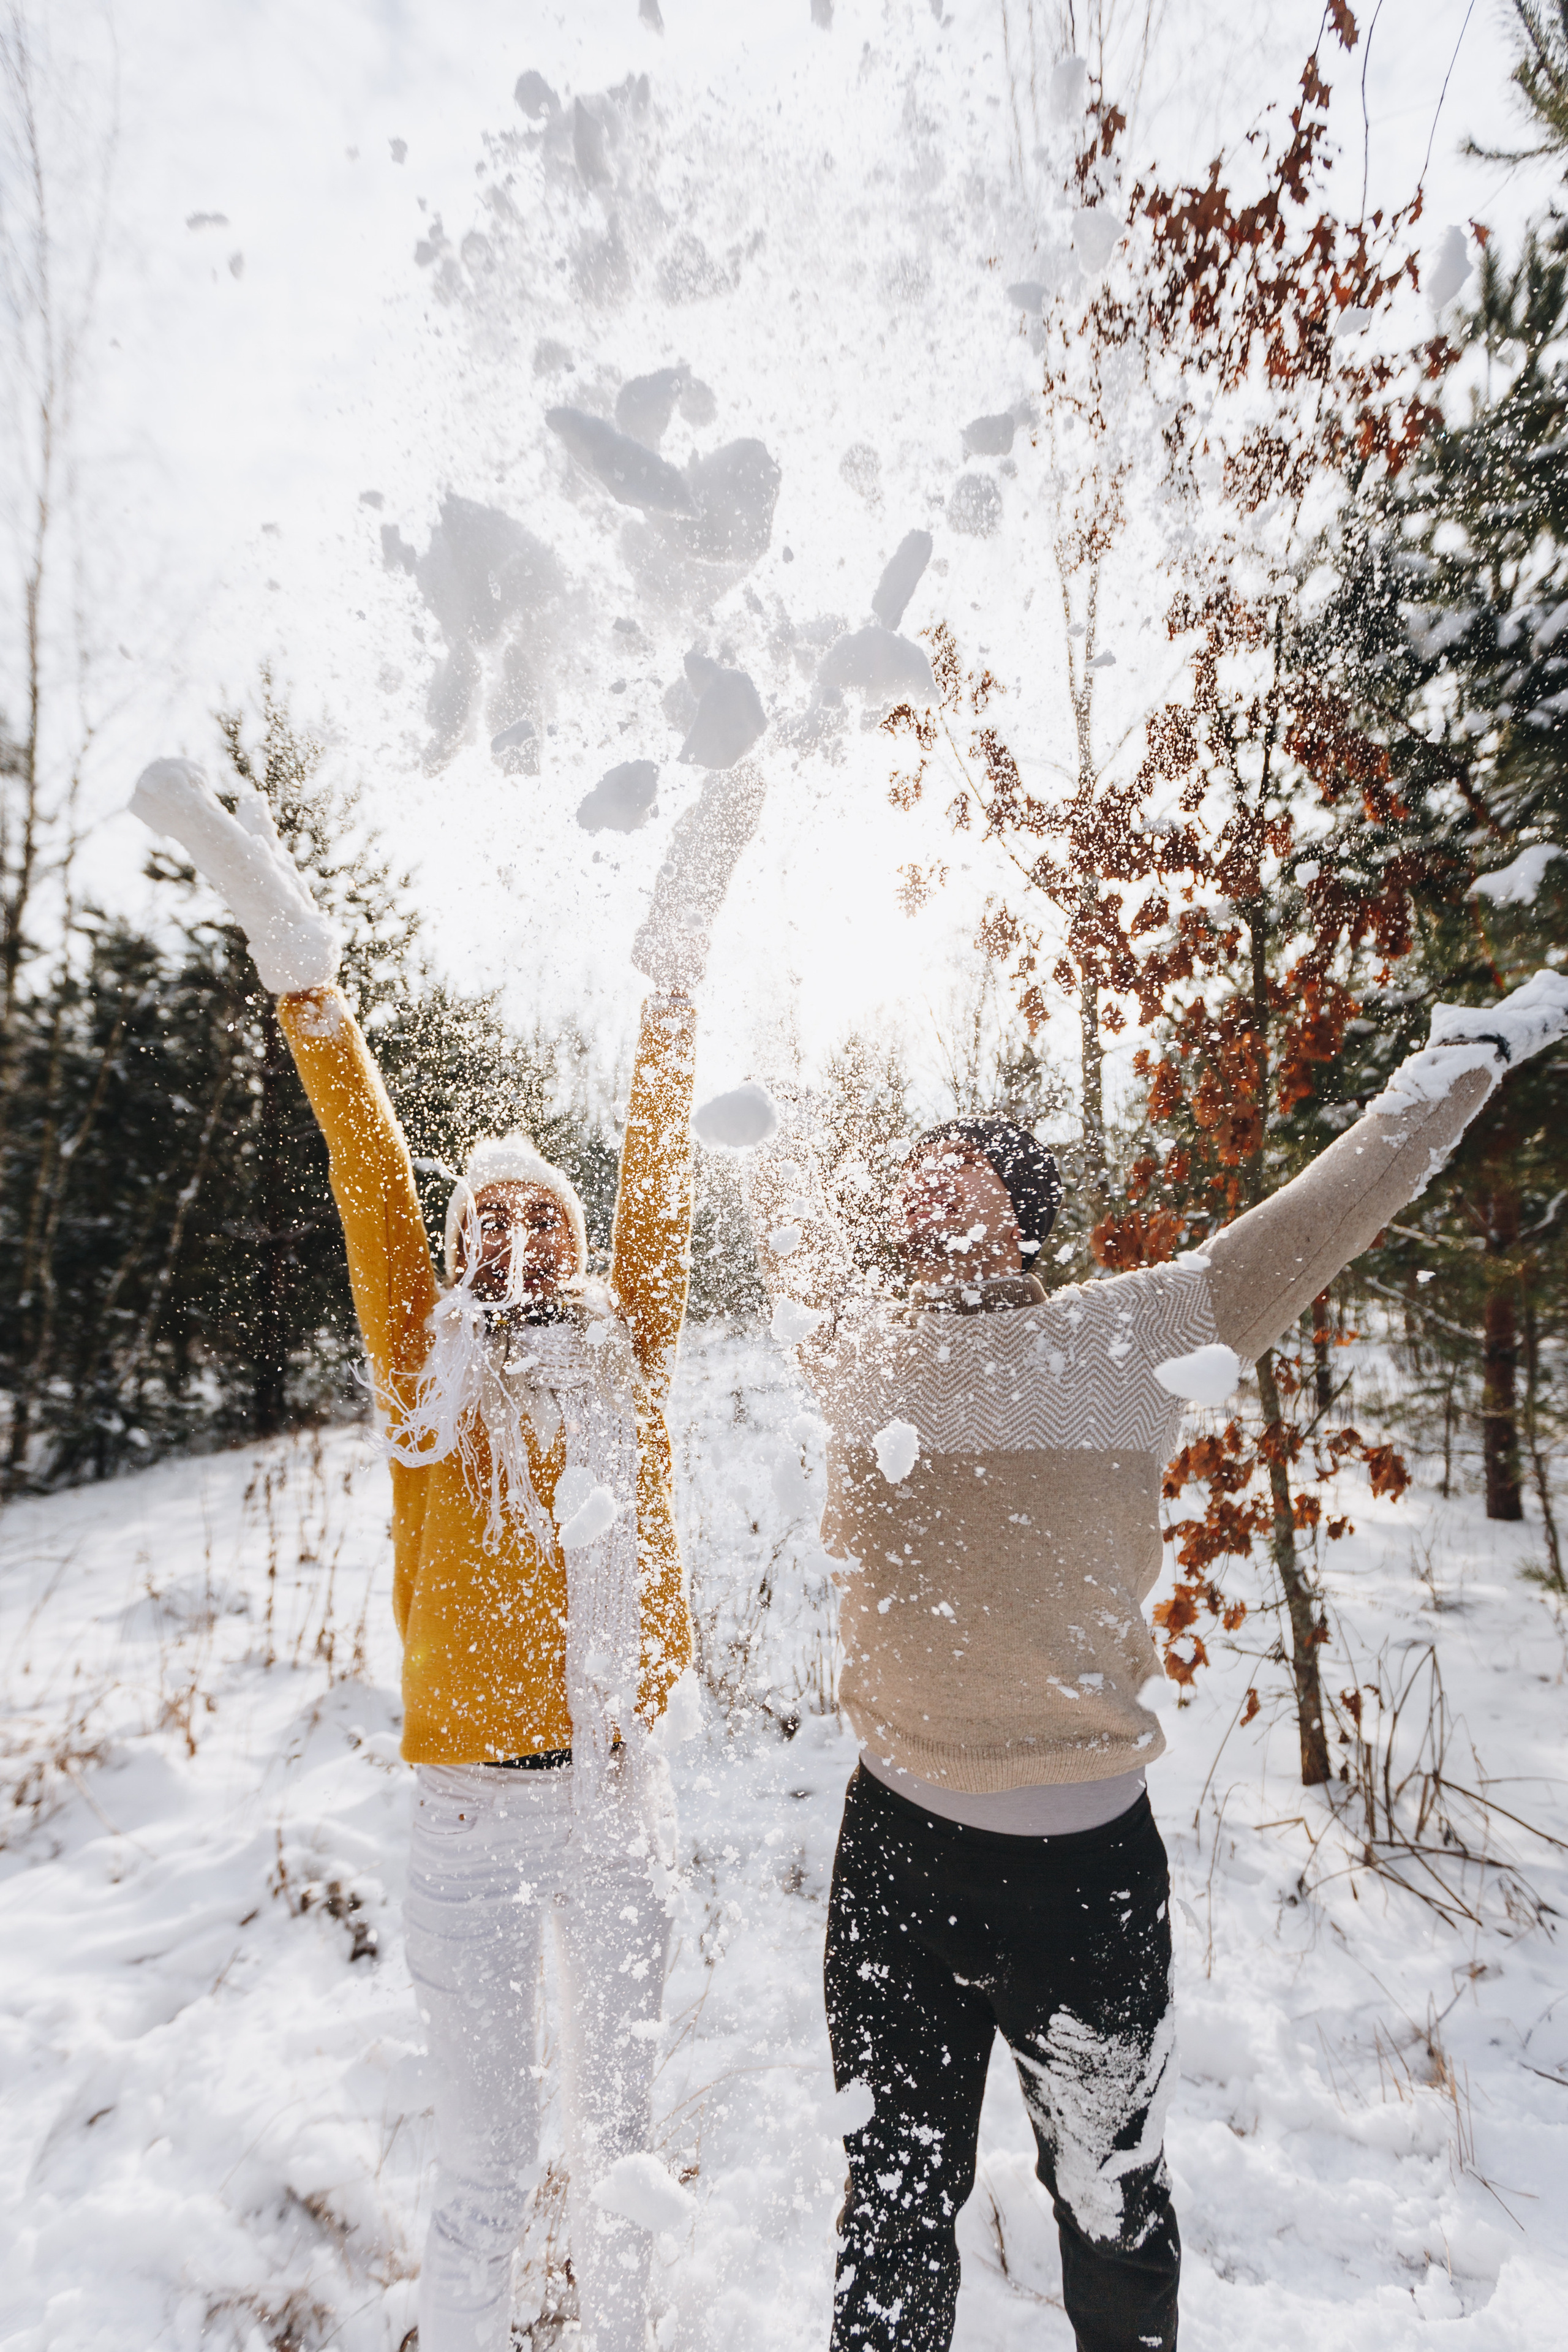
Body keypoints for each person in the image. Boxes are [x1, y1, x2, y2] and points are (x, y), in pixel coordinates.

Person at [745, 970, 1568, 2352]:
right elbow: (747, 1172)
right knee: (888, 2212)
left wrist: (1464, 1061)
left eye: (960, 1173)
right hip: (890, 1859)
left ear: (1021, 1209)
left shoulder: (1129, 1340)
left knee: (1112, 2213)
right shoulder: (853, 1358)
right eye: (908, 1181)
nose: (925, 1192)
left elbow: (1321, 1218)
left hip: (1079, 1883)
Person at [129, 753, 765, 2352]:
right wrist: (303, 964)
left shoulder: (634, 1356)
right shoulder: (426, 1371)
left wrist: (677, 958)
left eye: (541, 1217)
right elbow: (368, 1163)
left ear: (579, 1239)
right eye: (488, 1223)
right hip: (471, 1825)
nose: (513, 1236)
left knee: (619, 2156)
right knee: (486, 2170)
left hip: (621, 1806)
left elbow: (662, 1153)